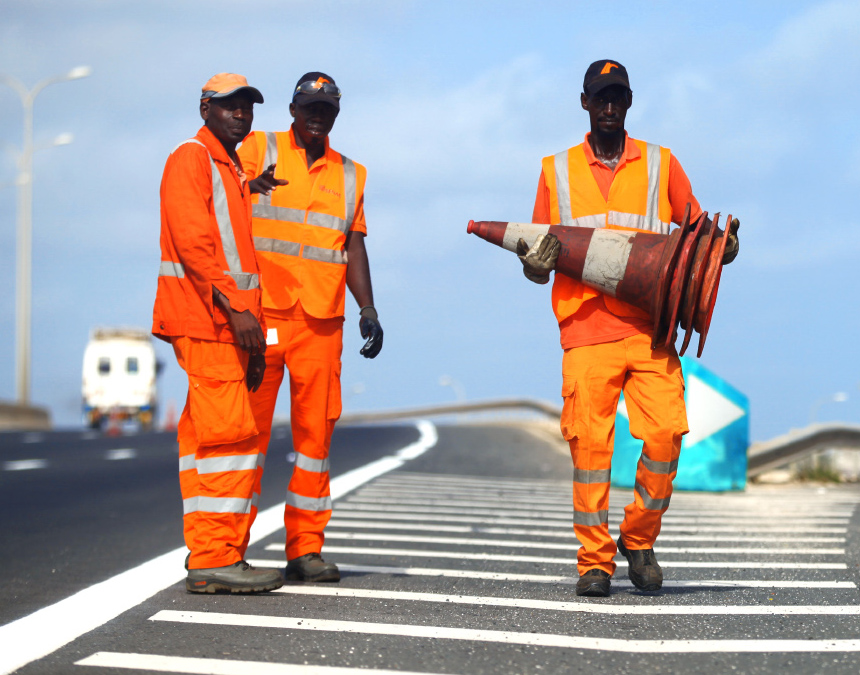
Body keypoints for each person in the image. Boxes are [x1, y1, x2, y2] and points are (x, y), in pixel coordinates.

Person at [521, 60, 739, 597]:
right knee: (591, 449)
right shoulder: (556, 170)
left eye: (618, 97)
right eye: (601, 98)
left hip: (650, 328)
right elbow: (534, 259)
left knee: (666, 435)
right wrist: (536, 261)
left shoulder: (662, 165)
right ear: (585, 103)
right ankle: (594, 562)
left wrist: (725, 247)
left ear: (629, 102)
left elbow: (699, 237)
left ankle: (638, 538)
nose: (610, 107)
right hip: (586, 327)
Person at [236, 72, 383, 583]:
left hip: (320, 322)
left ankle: (305, 548)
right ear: (293, 109)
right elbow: (219, 190)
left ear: (335, 115)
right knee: (246, 432)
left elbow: (354, 244)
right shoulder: (258, 148)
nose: (317, 115)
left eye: (326, 108)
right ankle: (228, 546)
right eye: (310, 106)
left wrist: (368, 308)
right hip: (263, 319)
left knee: (314, 438)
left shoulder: (351, 174)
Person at [152, 73, 283, 594]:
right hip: (209, 321)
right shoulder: (192, 157)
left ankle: (216, 551)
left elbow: (237, 256)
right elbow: (195, 243)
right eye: (230, 106)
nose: (241, 115)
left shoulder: (227, 168)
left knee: (208, 440)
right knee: (228, 438)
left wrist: (254, 334)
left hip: (226, 325)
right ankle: (212, 558)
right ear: (205, 108)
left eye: (247, 107)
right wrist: (235, 311)